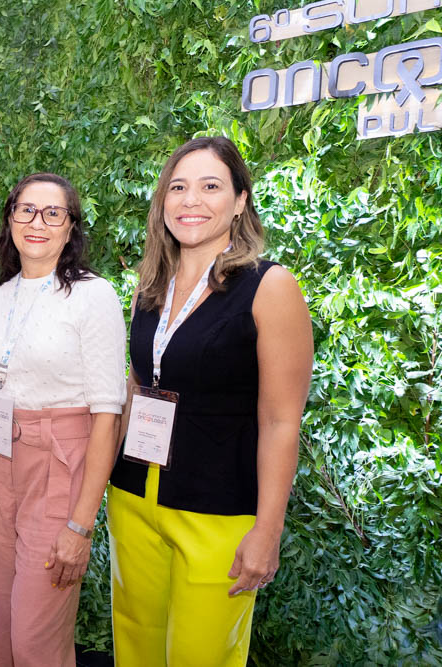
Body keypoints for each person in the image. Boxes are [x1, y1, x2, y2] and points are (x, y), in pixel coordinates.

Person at [108, 136, 313, 665]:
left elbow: (281, 421)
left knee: (201, 656)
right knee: (135, 649)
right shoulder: (150, 285)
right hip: (133, 499)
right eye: (178, 187)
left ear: (240, 201)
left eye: (210, 186)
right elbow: (138, 386)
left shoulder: (270, 286)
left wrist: (268, 529)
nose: (191, 200)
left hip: (218, 512)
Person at [0, 172, 127, 667]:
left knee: (36, 637)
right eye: (26, 210)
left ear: (70, 226)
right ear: (10, 219)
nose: (38, 223)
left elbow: (108, 415)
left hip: (59, 463)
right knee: (1, 627)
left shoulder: (93, 295)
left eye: (53, 213)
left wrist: (81, 525)